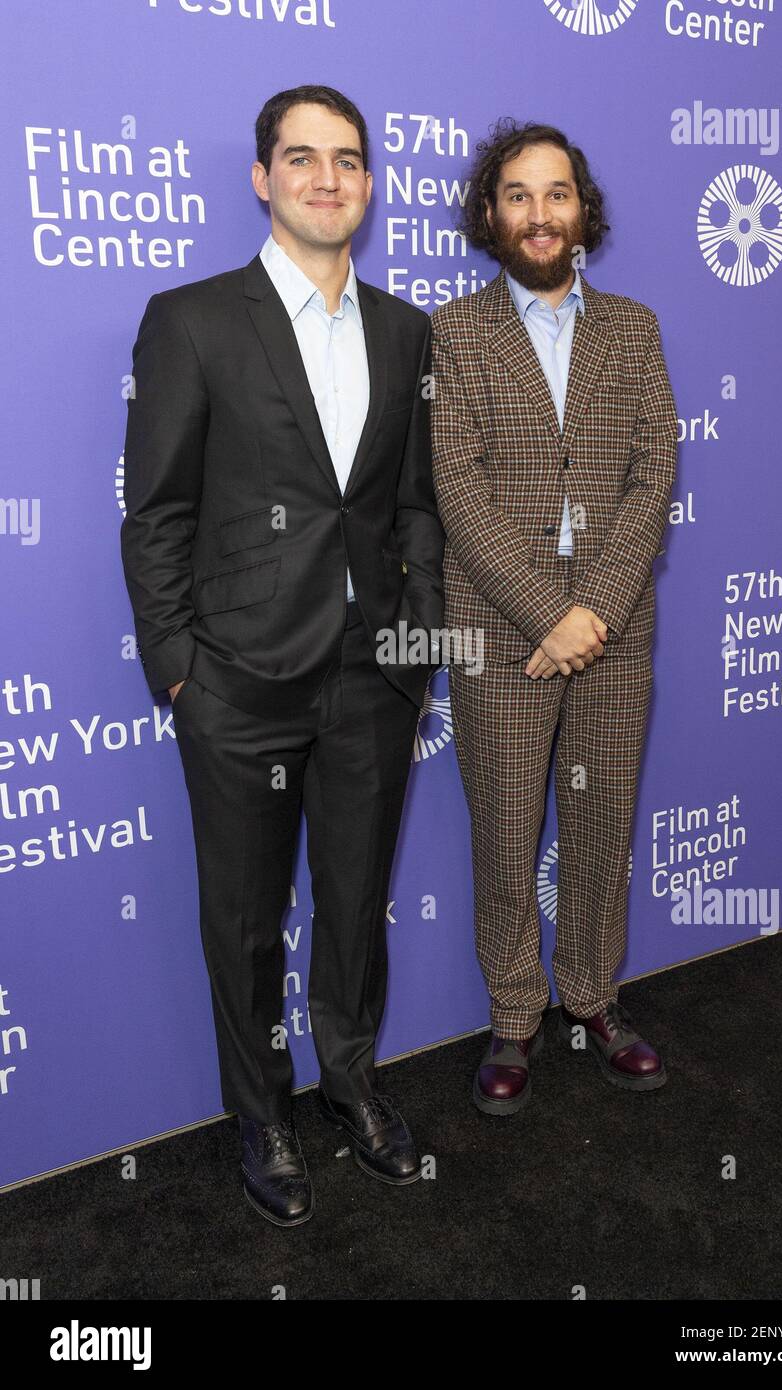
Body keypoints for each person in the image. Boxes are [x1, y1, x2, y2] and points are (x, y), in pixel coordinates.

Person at [121, 85, 444, 1224]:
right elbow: (154, 512)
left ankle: (351, 1084)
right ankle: (260, 1117)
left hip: (372, 678)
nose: (325, 178)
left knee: (355, 907)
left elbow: (414, 506)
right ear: (261, 178)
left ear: (369, 183)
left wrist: (417, 648)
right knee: (248, 921)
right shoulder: (193, 320)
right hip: (238, 685)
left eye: (346, 159)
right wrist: (180, 670)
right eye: (300, 158)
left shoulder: (409, 330)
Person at [430, 119, 677, 1116]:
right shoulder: (451, 331)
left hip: (613, 631)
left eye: (557, 193)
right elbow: (456, 486)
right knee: (503, 824)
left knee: (600, 821)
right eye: (518, 194)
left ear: (583, 212)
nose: (540, 213)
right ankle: (513, 1013)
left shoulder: (635, 326)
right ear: (491, 215)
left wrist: (596, 610)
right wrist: (547, 612)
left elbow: (652, 470)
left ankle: (594, 997)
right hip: (499, 630)